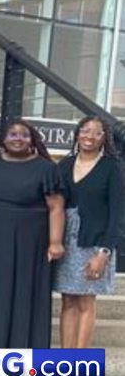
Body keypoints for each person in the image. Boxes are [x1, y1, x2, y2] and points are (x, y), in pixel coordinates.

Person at [0, 119, 65, 349]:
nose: (17, 138)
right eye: (12, 134)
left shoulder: (47, 168)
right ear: (3, 139)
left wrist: (55, 242)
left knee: (25, 290)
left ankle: (24, 346)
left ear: (32, 140)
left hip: (31, 238)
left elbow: (56, 207)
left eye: (23, 135)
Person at [54, 117, 123, 348]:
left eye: (96, 132)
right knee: (68, 300)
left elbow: (116, 215)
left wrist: (104, 252)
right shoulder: (64, 165)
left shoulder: (111, 168)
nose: (89, 136)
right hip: (66, 242)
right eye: (85, 131)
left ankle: (80, 362)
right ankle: (64, 361)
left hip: (94, 244)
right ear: (77, 134)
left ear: (104, 138)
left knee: (85, 301)